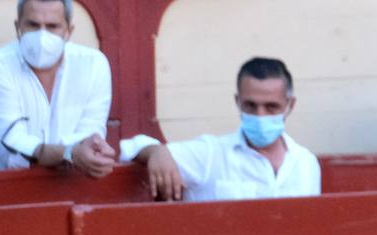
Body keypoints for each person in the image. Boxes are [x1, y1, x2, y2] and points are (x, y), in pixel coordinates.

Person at [129, 57, 320, 202]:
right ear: (238, 102)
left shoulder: (306, 163)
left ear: (290, 105)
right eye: (250, 106)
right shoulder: (211, 154)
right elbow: (131, 147)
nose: (260, 115)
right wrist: (157, 152)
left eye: (271, 107)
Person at [0, 0, 115, 176]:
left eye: (52, 26)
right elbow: (12, 146)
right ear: (18, 27)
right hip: (3, 190)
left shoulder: (93, 65)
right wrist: (69, 153)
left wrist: (70, 152)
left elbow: (91, 135)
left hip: (71, 188)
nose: (42, 35)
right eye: (33, 25)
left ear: (68, 31)